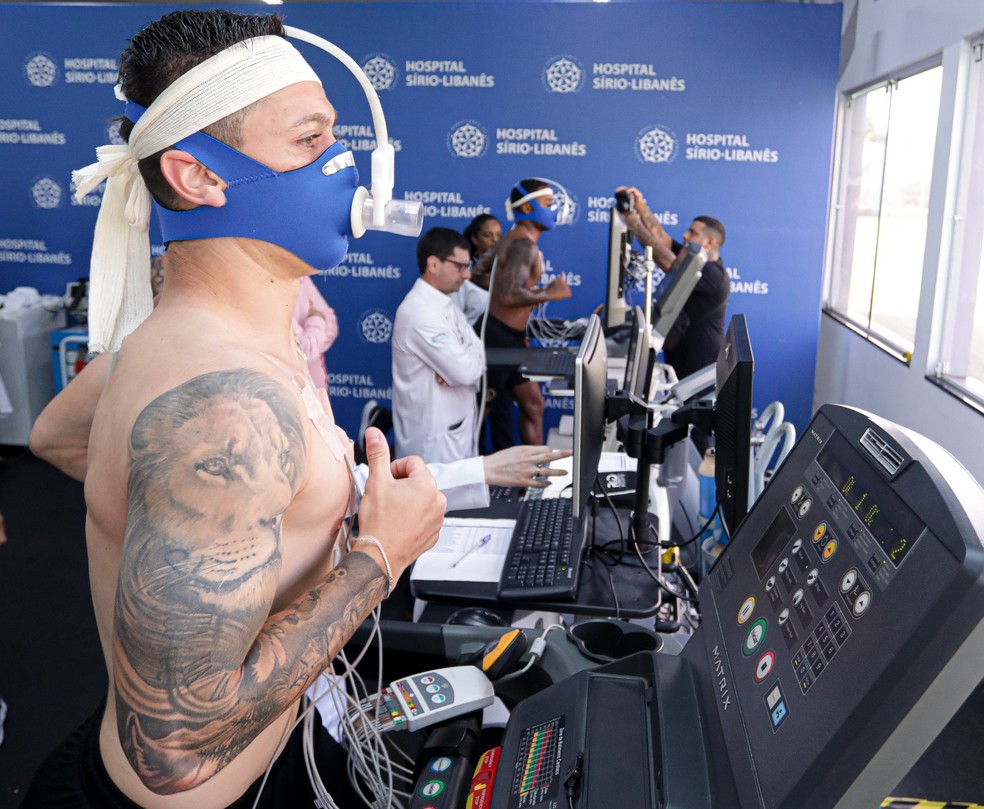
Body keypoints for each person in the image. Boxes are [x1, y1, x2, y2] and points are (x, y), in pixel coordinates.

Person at [22, 10, 447, 807]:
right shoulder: (220, 405)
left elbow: (54, 435)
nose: (342, 164)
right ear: (198, 176)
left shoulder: (181, 336)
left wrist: (242, 517)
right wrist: (380, 556)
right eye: (308, 140)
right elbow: (173, 747)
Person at [475, 179, 572, 451]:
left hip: (510, 338)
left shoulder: (513, 237)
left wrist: (502, 293)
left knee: (533, 403)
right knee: (480, 411)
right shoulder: (523, 245)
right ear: (528, 208)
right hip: (497, 339)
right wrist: (551, 293)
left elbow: (480, 274)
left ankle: (536, 476)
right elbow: (509, 295)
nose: (553, 210)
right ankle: (465, 475)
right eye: (547, 204)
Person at [615, 186, 730, 381]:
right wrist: (641, 206)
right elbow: (662, 240)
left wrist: (633, 222)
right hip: (682, 365)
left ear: (709, 243)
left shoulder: (714, 275)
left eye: (693, 233)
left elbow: (668, 262)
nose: (685, 235)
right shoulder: (691, 257)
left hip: (699, 372)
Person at [392, 227, 486, 464]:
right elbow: (466, 371)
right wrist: (462, 367)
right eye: (460, 266)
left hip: (452, 430)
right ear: (433, 264)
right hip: (432, 442)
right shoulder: (419, 312)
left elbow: (478, 352)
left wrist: (461, 365)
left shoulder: (446, 304)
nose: (467, 275)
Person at [448, 213, 500, 327]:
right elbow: (454, 316)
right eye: (487, 235)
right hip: (471, 340)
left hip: (505, 341)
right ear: (475, 239)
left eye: (498, 235)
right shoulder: (464, 273)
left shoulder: (510, 271)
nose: (495, 240)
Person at [294, 274, 339, 389]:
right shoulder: (268, 287)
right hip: (294, 390)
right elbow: (301, 350)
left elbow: (331, 325)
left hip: (316, 388)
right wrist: (317, 320)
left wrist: (313, 331)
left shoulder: (302, 277)